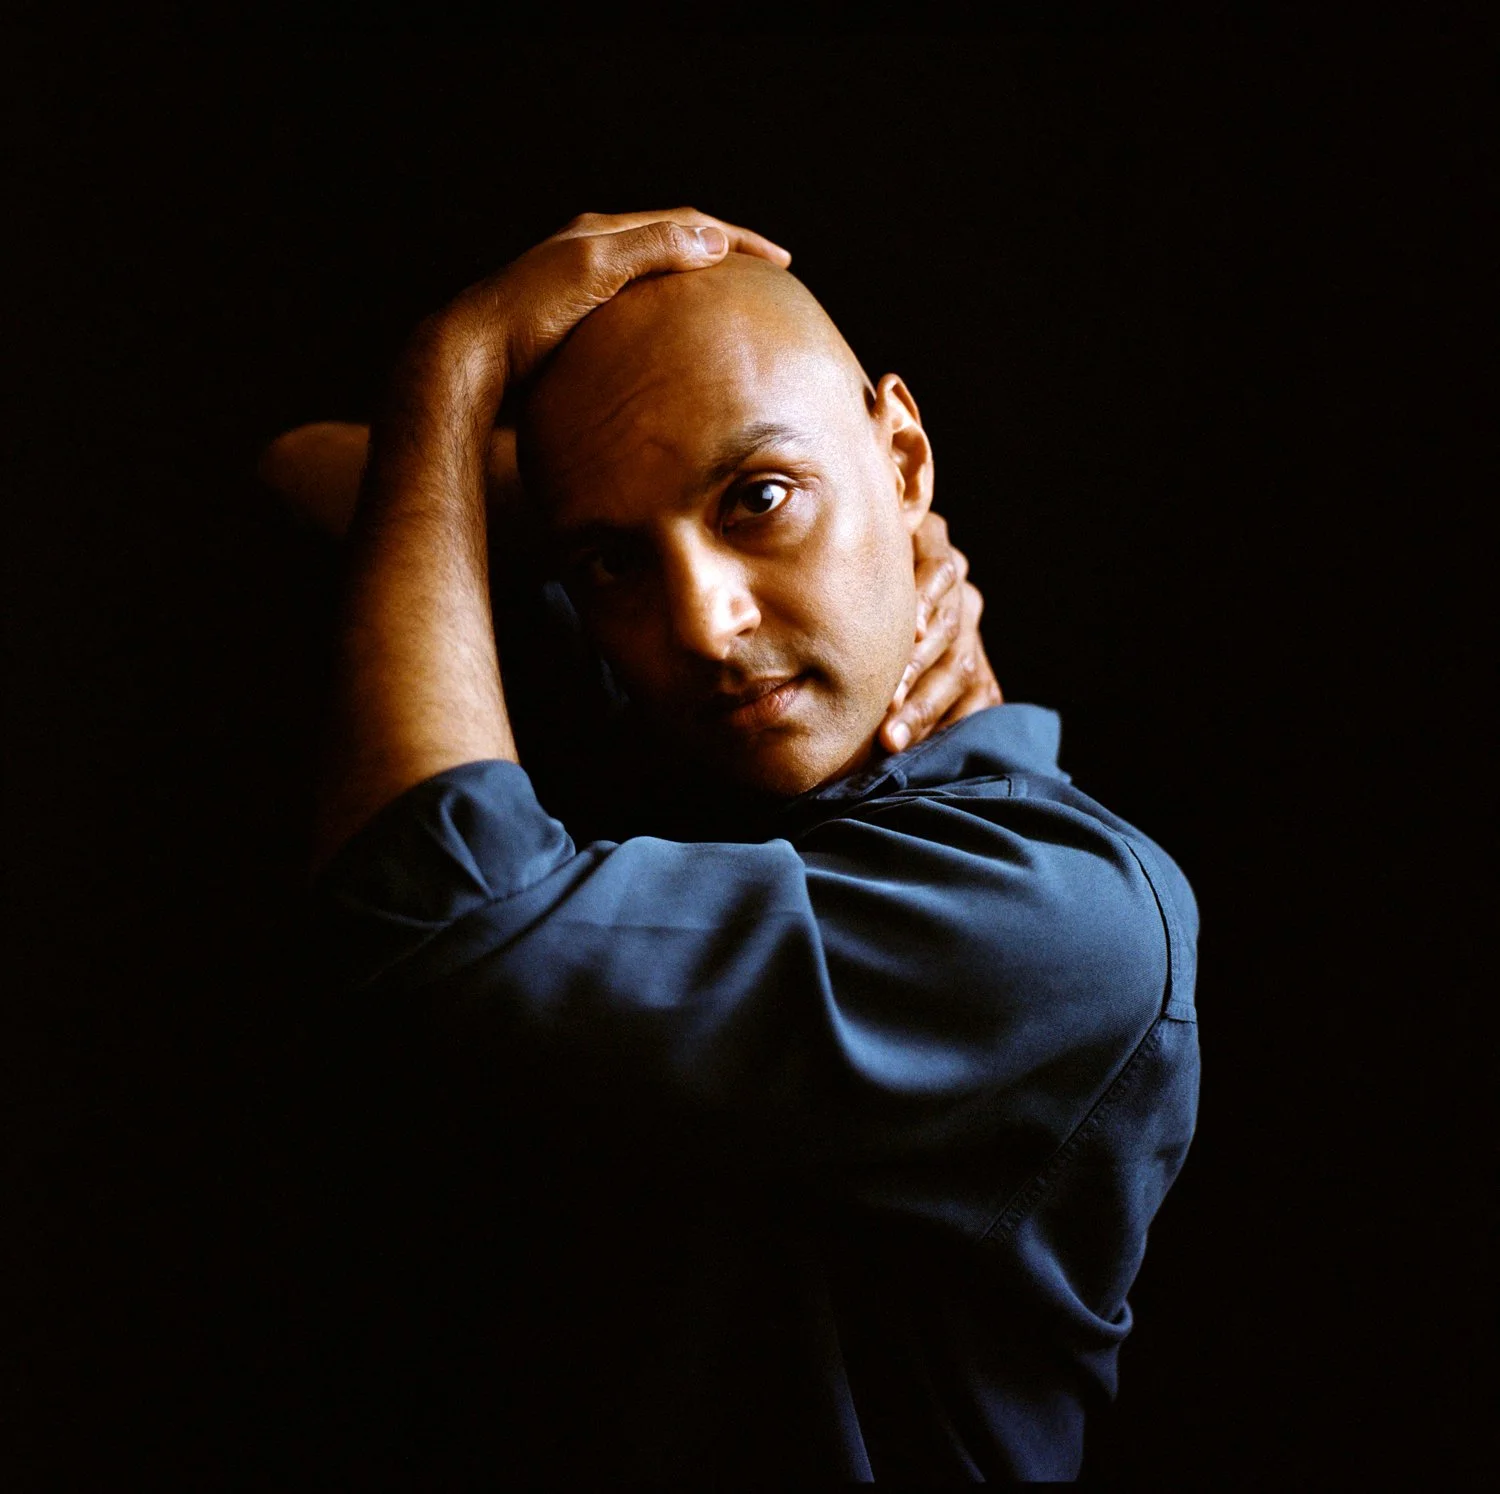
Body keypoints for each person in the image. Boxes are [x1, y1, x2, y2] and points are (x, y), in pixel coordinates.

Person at [281, 209, 1199, 1482]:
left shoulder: (1064, 918)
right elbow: (306, 471)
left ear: (908, 456)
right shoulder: (684, 724)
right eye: (610, 557)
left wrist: (457, 359)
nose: (704, 626)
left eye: (758, 498)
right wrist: (717, 493)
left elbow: (429, 918)